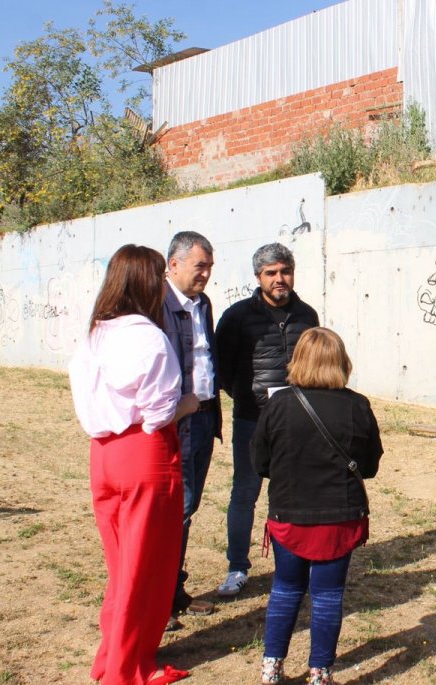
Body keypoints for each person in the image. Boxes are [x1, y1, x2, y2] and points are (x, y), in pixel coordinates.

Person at [68, 244, 198, 685]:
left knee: (122, 565)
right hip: (145, 454)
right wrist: (189, 404)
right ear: (146, 283)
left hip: (104, 454)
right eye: (159, 277)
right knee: (146, 567)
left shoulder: (93, 335)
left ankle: (114, 655)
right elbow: (159, 413)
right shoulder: (148, 336)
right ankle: (126, 667)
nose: (163, 285)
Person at [251, 328, 383, 685]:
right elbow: (370, 465)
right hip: (338, 516)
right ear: (341, 362)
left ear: (298, 360)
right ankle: (320, 673)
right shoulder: (357, 406)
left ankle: (271, 667)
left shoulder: (278, 404)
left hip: (289, 513)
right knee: (327, 595)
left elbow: (260, 462)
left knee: (285, 589)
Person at [215, 243, 319, 597]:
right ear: (258, 277)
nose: (279, 279)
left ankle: (295, 564)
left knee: (296, 494)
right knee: (245, 492)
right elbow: (223, 369)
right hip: (252, 420)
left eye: (285, 271)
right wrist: (249, 398)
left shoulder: (307, 315)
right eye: (271, 273)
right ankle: (237, 566)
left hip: (297, 421)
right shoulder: (237, 316)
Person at [160, 231, 222, 631]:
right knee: (174, 512)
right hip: (174, 422)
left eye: (210, 267)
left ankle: (174, 591)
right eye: (200, 266)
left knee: (188, 507)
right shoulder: (156, 305)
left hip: (203, 417)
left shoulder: (203, 304)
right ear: (174, 264)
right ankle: (160, 600)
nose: (206, 274)